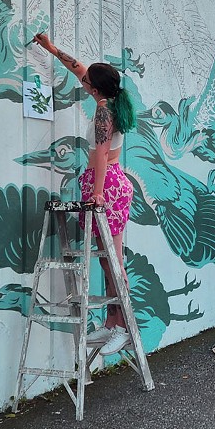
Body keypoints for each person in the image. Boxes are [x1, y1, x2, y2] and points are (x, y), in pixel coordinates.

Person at [33, 33, 137, 355]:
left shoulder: (104, 113)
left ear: (94, 89)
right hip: (107, 183)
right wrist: (51, 49)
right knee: (108, 261)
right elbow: (78, 67)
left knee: (113, 262)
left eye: (87, 80)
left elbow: (101, 156)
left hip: (106, 186)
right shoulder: (108, 100)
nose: (83, 78)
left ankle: (123, 327)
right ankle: (110, 324)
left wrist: (96, 194)